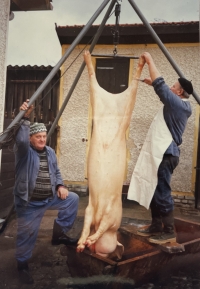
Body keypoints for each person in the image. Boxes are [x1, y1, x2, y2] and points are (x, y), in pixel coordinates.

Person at [14, 100, 79, 284]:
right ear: (30, 138)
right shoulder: (24, 151)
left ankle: (59, 234)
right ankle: (22, 265)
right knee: (26, 235)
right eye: (38, 137)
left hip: (48, 198)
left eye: (44, 136)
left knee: (72, 199)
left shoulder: (50, 151)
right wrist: (25, 117)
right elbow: (19, 139)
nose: (42, 139)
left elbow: (56, 171)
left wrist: (60, 185)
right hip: (30, 203)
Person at [136, 52, 193, 244]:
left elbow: (162, 87)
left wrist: (150, 60)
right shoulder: (178, 103)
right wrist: (149, 82)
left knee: (162, 191)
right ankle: (155, 226)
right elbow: (162, 88)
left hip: (167, 154)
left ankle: (168, 231)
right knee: (154, 189)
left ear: (179, 92)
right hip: (162, 153)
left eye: (174, 86)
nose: (171, 87)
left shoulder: (179, 105)